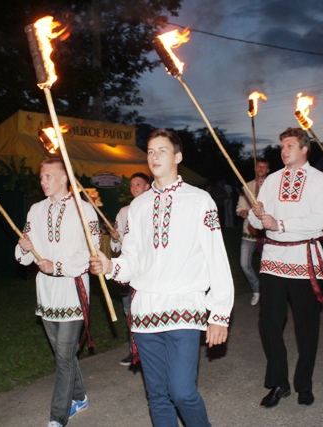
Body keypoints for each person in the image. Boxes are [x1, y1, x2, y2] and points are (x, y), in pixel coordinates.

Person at [89, 128, 234, 427]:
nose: (154, 156)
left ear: (178, 156)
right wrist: (110, 266)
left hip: (184, 306)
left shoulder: (199, 200)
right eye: (150, 151)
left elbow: (216, 257)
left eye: (162, 151)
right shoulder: (137, 207)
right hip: (146, 311)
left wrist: (219, 313)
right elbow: (132, 260)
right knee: (157, 394)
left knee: (181, 392)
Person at [248, 127, 323, 408]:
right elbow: (257, 218)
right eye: (282, 146)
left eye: (290, 145)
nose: (284, 150)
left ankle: (304, 385)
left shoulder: (320, 180)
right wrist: (258, 214)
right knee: (269, 323)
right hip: (273, 259)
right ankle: (279, 383)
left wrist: (280, 224)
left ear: (304, 149)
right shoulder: (272, 179)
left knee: (307, 327)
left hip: (304, 259)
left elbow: (319, 221)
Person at [15, 158, 100, 427]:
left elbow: (91, 254)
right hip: (46, 293)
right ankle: (80, 396)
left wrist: (58, 265)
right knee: (63, 354)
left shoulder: (85, 211)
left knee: (63, 356)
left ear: (64, 178)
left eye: (48, 176)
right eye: (41, 177)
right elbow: (23, 259)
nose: (43, 181)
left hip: (73, 290)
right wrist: (25, 247)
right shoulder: (36, 211)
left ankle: (57, 416)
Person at [110, 172, 151, 366]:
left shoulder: (152, 208)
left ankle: (149, 350)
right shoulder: (124, 211)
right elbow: (116, 247)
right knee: (129, 310)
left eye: (138, 184)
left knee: (147, 309)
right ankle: (133, 351)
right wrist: (114, 235)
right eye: (132, 185)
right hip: (129, 269)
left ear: (147, 187)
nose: (134, 187)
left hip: (148, 270)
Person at [236, 159, 270, 305]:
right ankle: (256, 289)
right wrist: (243, 211)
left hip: (267, 233)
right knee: (244, 264)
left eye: (264, 167)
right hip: (249, 231)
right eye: (259, 166)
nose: (261, 168)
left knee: (267, 267)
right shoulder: (247, 186)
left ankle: (268, 292)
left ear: (268, 170)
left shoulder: (272, 186)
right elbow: (240, 206)